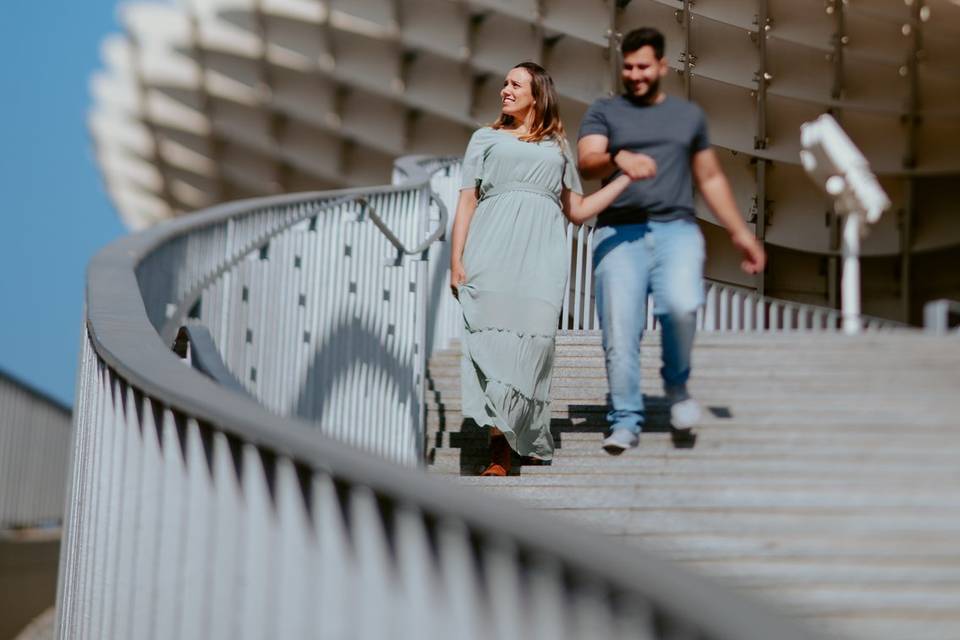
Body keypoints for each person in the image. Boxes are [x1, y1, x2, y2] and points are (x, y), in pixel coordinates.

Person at [577, 27, 766, 454]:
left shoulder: (686, 116)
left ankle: (677, 386)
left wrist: (741, 233)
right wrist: (617, 156)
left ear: (662, 66)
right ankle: (625, 419)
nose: (635, 74)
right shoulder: (604, 111)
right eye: (628, 67)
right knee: (620, 331)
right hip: (618, 232)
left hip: (676, 231)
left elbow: (711, 177)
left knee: (682, 307)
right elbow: (588, 162)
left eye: (643, 66)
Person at [450, 62, 638, 476]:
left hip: (542, 259)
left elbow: (579, 210)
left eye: (515, 84)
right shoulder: (485, 138)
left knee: (535, 349)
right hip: (491, 252)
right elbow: (466, 202)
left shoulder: (558, 146)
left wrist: (624, 180)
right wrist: (456, 260)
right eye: (504, 83)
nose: (504, 90)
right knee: (495, 350)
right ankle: (499, 450)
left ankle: (529, 438)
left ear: (537, 94)